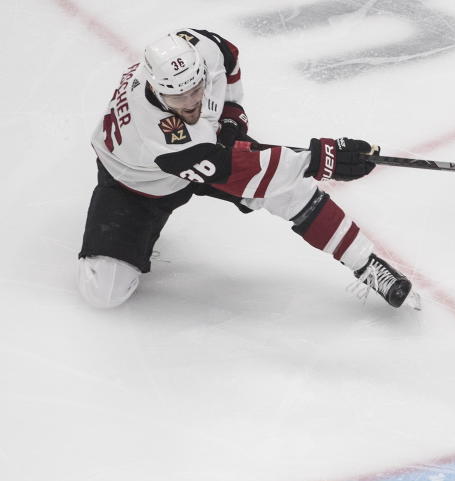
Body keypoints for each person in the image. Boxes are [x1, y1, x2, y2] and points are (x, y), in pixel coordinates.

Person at [79, 29, 415, 309]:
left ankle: (367, 264)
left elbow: (226, 54)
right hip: (134, 185)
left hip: (203, 155)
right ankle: (138, 234)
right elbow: (242, 170)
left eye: (197, 90)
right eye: (180, 98)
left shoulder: (201, 51)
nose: (193, 103)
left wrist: (230, 115)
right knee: (104, 293)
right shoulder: (161, 133)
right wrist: (319, 159)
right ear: (156, 88)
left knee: (290, 191)